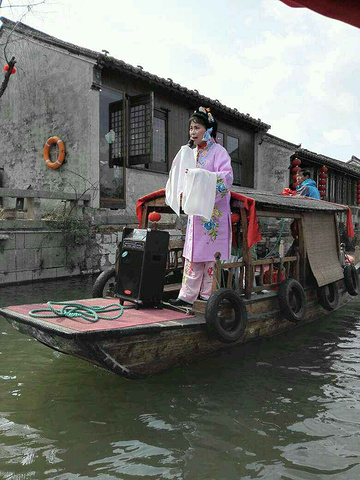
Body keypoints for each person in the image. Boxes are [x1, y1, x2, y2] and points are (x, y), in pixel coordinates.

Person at [167, 107, 233, 307]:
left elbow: (227, 178)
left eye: (197, 128)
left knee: (211, 257)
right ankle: (186, 296)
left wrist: (198, 177)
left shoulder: (219, 152)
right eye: (191, 128)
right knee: (193, 254)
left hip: (214, 213)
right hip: (196, 213)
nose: (192, 132)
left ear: (208, 130)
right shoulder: (190, 152)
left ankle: (207, 296)